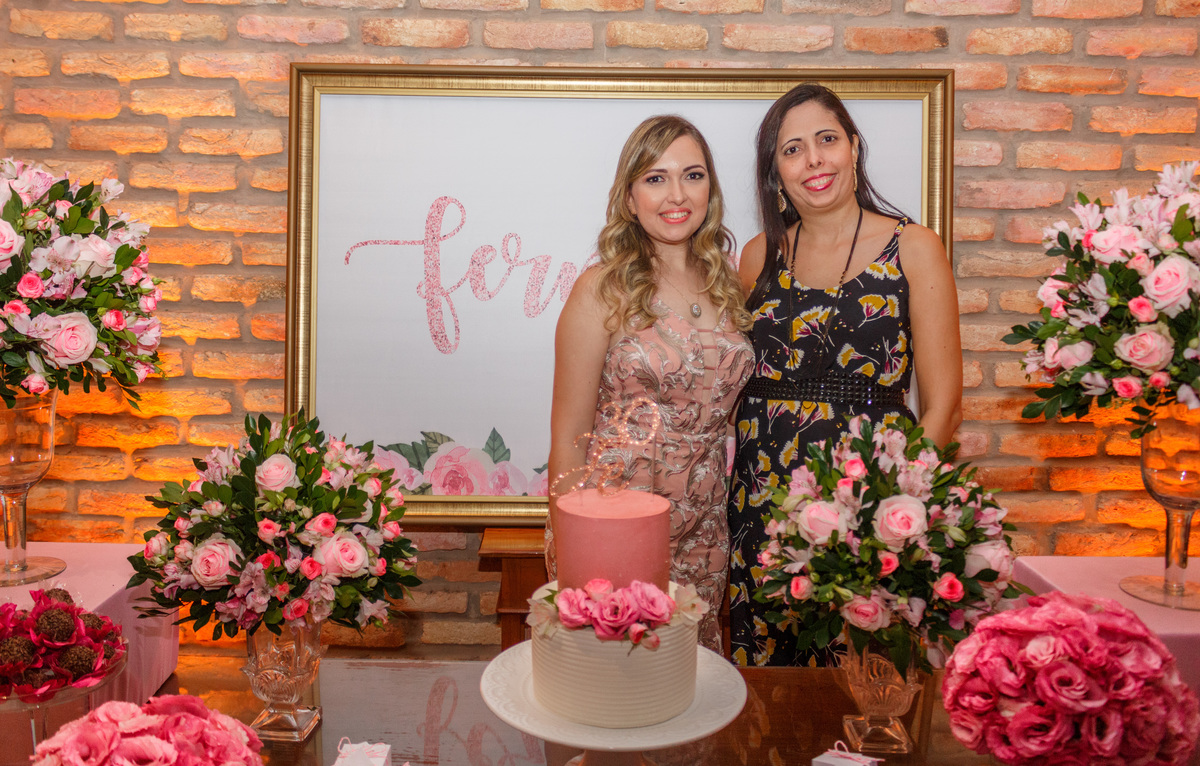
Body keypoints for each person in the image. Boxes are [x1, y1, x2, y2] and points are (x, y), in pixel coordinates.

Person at [727, 83, 962, 667]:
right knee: (768, 687)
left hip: (869, 512)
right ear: (775, 173)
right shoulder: (757, 256)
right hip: (764, 507)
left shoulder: (913, 248)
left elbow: (944, 406)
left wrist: (890, 512)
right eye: (792, 149)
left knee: (864, 684)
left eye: (827, 140)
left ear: (854, 148)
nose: (813, 160)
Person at [546, 115, 754, 651]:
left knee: (687, 673)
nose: (676, 195)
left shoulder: (729, 286)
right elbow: (568, 436)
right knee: (615, 674)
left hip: (706, 524)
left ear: (710, 189)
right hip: (616, 517)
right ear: (630, 197)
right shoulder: (601, 289)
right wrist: (574, 554)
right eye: (656, 178)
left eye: (693, 175)